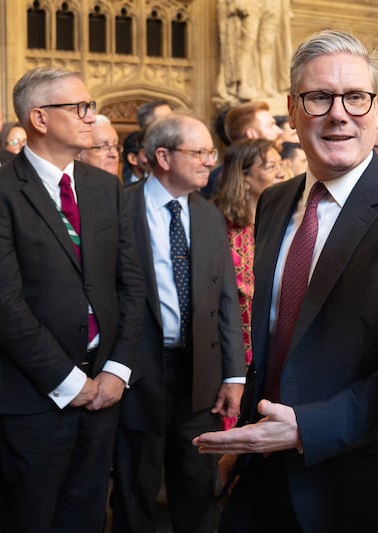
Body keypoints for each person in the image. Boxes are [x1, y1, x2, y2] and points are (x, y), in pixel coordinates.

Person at [192, 29, 378, 533]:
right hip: (261, 475)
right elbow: (278, 338)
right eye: (320, 97)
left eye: (355, 97)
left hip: (355, 486)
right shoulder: (275, 202)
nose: (339, 113)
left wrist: (303, 429)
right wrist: (251, 444)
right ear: (293, 111)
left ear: (377, 109)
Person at [0, 67, 144, 532]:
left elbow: (131, 285)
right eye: (79, 107)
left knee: (86, 515)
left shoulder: (104, 186)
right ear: (39, 118)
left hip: (104, 390)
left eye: (90, 106)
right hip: (32, 395)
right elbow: (5, 304)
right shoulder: (3, 190)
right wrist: (68, 382)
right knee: (31, 516)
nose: (91, 117)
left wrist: (116, 371)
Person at [111, 112, 246, 533]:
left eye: (211, 152)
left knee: (198, 491)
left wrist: (234, 375)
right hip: (138, 374)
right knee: (136, 491)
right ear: (164, 156)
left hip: (199, 378)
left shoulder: (208, 215)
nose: (210, 161)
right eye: (201, 152)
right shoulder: (120, 208)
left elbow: (225, 298)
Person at [213, 138, 286, 429]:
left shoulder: (284, 224)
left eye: (281, 164)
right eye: (271, 167)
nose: (282, 173)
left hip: (274, 351)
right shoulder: (219, 226)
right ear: (244, 178)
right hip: (232, 355)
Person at [201, 101, 283, 199]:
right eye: (271, 125)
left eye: (279, 165)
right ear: (252, 134)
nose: (279, 131)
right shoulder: (222, 179)